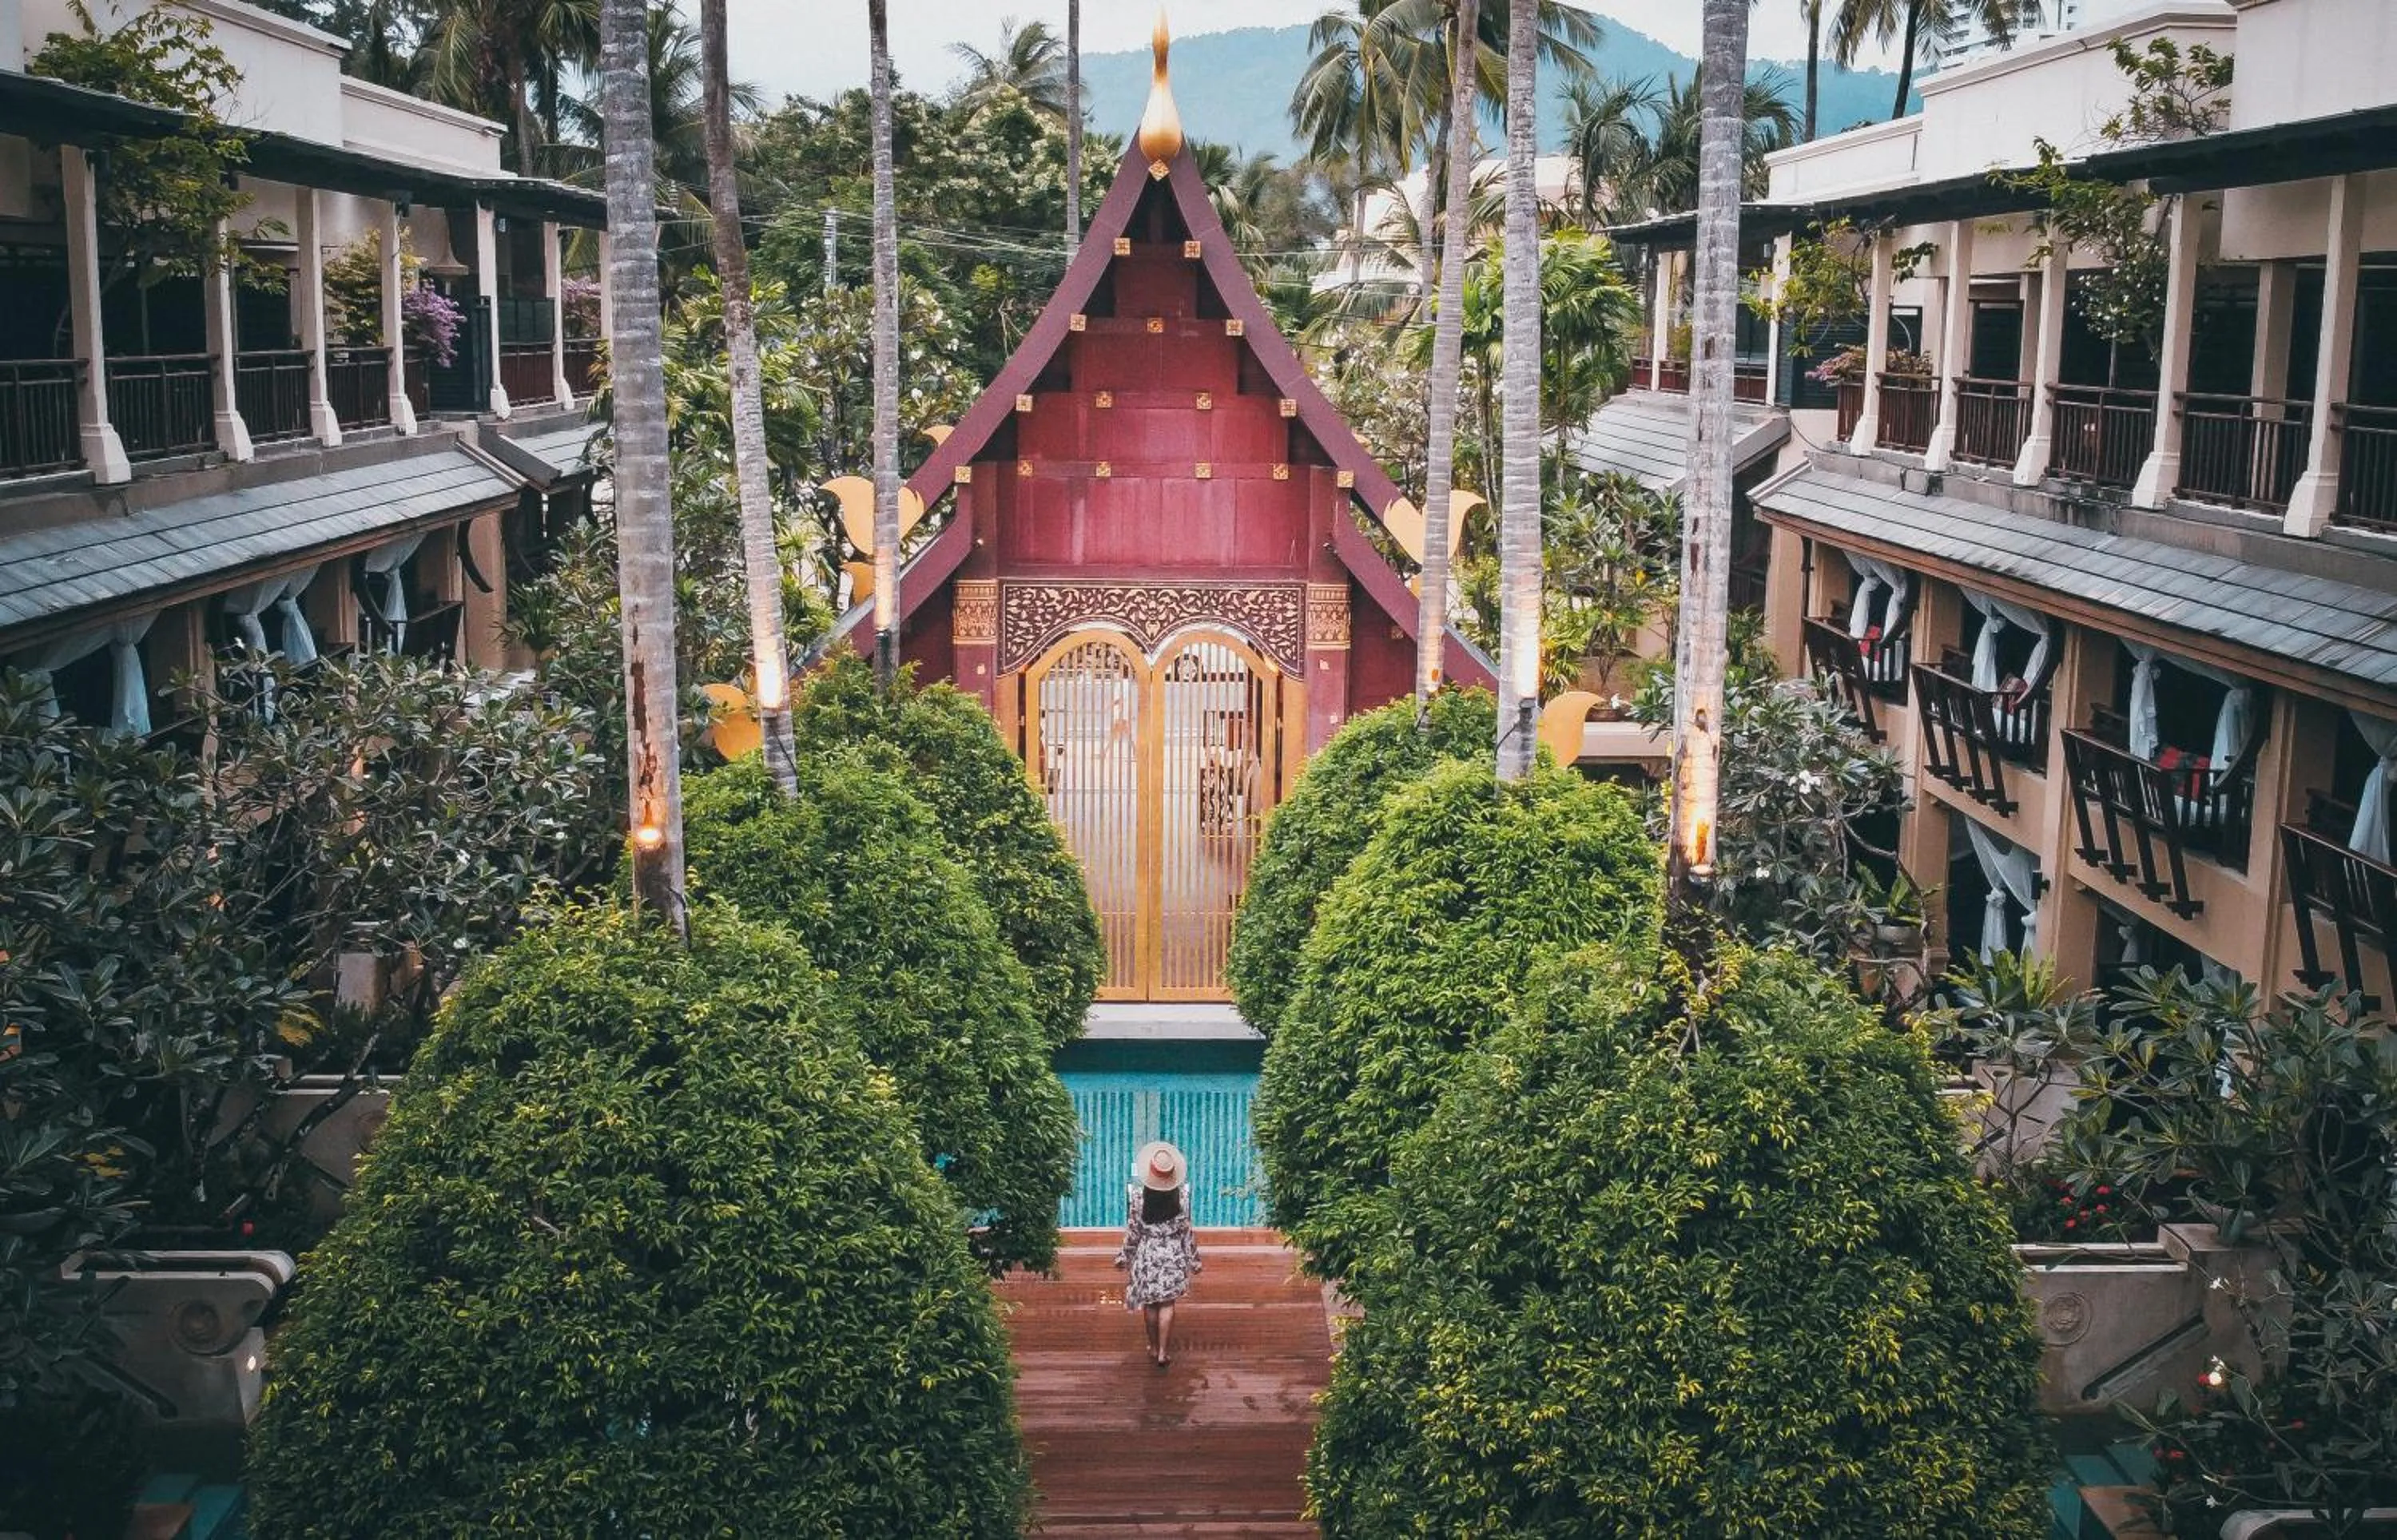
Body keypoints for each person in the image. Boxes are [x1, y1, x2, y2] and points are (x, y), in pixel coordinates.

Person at [1115, 1140, 1201, 1367]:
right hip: (1172, 1255)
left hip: (1148, 1255)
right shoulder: (1182, 1199)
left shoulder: (1138, 1199)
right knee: (1167, 1304)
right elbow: (1186, 1232)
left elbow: (1134, 1231)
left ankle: (1153, 1348)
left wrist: (1124, 1256)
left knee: (1150, 1304)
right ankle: (1164, 1351)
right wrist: (1194, 1260)